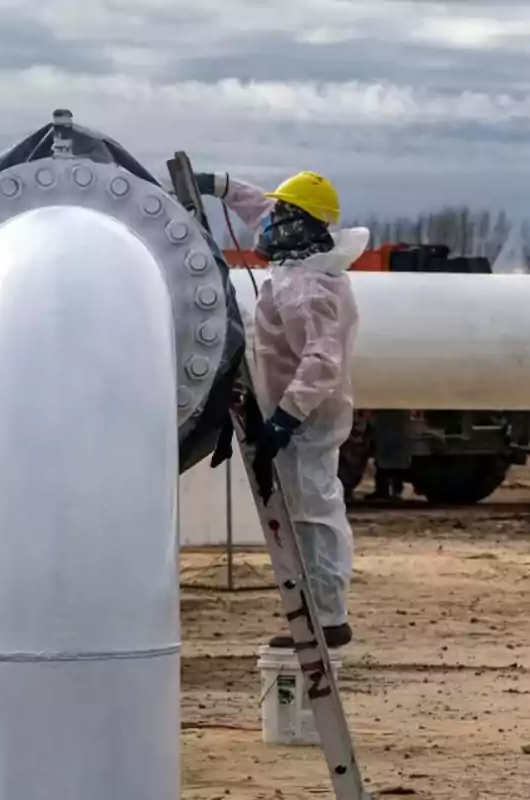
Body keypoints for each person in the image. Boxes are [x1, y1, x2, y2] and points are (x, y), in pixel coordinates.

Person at [196, 169, 368, 647]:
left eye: (285, 216)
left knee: (314, 513)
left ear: (304, 226)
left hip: (307, 420)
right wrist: (222, 186)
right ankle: (314, 615)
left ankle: (329, 618)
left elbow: (322, 362)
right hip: (289, 415)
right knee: (299, 513)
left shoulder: (311, 288)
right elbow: (261, 209)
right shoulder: (297, 263)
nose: (271, 224)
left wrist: (285, 419)